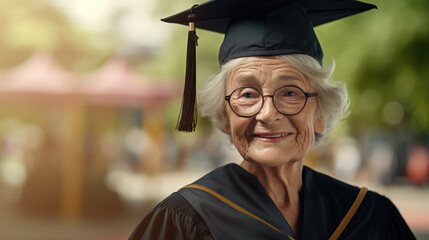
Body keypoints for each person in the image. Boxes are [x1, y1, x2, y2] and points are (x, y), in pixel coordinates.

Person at [130, 0, 416, 239]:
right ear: (224, 115)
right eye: (247, 94)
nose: (267, 113)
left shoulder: (369, 218)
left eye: (290, 92)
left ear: (320, 114)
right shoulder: (185, 221)